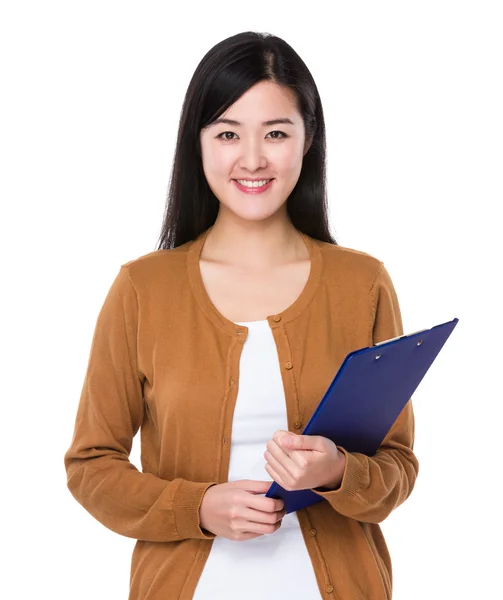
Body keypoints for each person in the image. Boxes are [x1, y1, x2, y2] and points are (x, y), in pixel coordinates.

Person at [64, 31, 419, 600]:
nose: (252, 159)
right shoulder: (142, 289)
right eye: (228, 133)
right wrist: (198, 507)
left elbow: (397, 466)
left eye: (276, 133)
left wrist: (336, 472)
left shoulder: (363, 283)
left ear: (307, 141)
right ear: (197, 144)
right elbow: (91, 465)